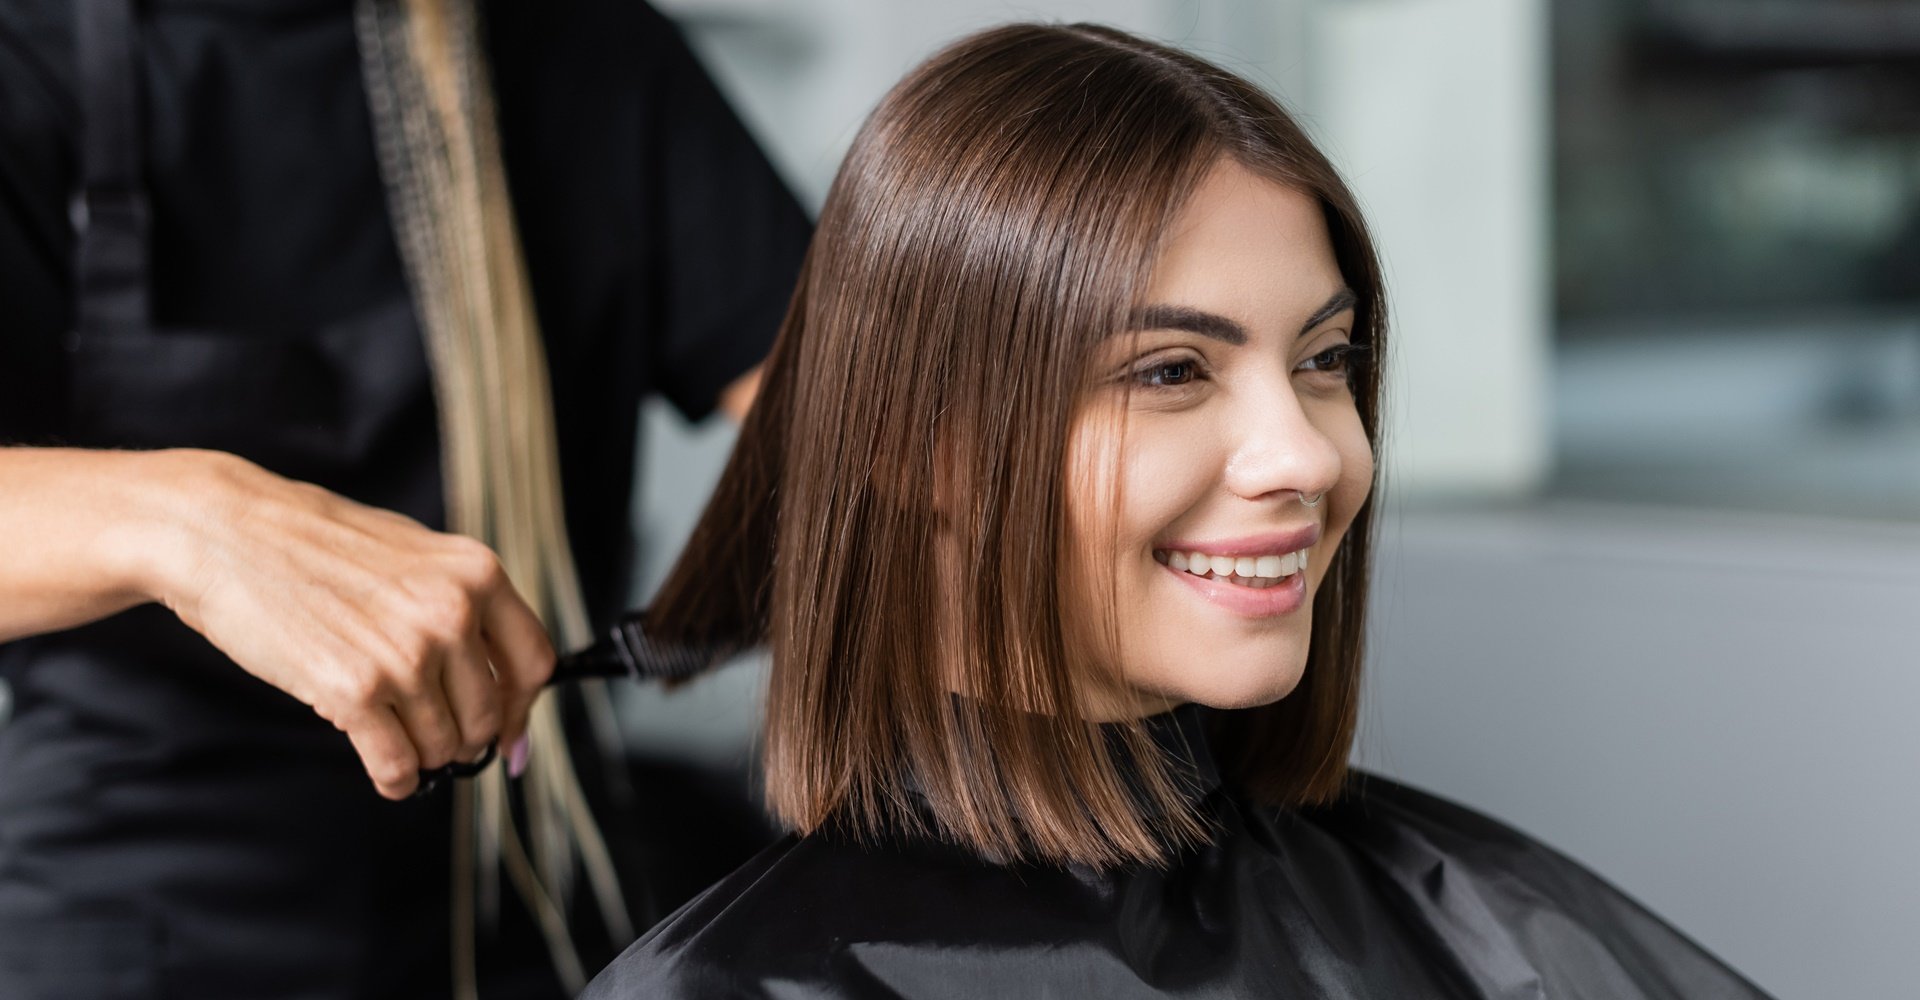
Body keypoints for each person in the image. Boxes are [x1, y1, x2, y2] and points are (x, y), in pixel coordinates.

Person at [578, 23, 1776, 1000]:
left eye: (1324, 360)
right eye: (1170, 371)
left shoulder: (1497, 933)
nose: (1306, 454)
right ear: (912, 446)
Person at [0, 0, 806, 997]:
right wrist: (189, 520)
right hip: (135, 912)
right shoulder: (28, 56)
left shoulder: (581, 48)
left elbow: (855, 434)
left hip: (536, 900)